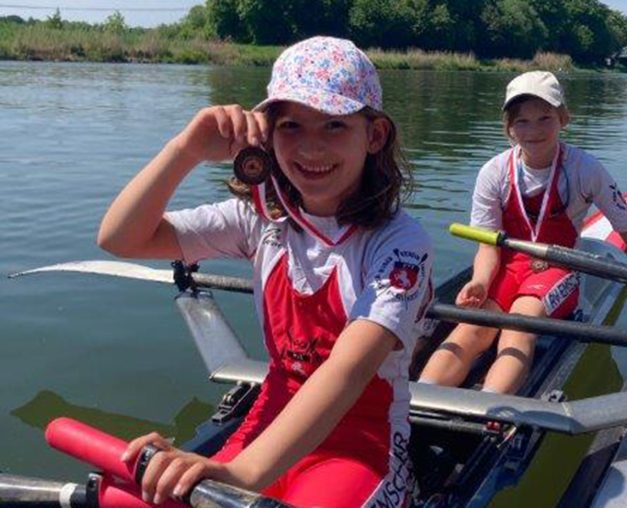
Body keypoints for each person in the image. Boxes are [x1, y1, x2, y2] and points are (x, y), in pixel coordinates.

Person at [98, 36, 432, 507]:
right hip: (266, 426)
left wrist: (239, 473)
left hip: (359, 447)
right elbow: (120, 238)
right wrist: (185, 150)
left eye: (335, 125)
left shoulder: (399, 243)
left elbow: (348, 370)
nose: (311, 148)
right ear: (267, 136)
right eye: (291, 126)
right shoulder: (260, 221)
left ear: (373, 136)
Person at [419, 71, 627, 395]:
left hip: (558, 267)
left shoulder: (585, 169)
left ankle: (488, 413)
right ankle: (417, 405)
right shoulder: (494, 172)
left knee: (518, 328)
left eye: (545, 118)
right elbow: (487, 246)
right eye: (522, 121)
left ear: (563, 118)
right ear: (509, 126)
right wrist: (480, 282)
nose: (534, 130)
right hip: (507, 266)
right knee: (469, 330)